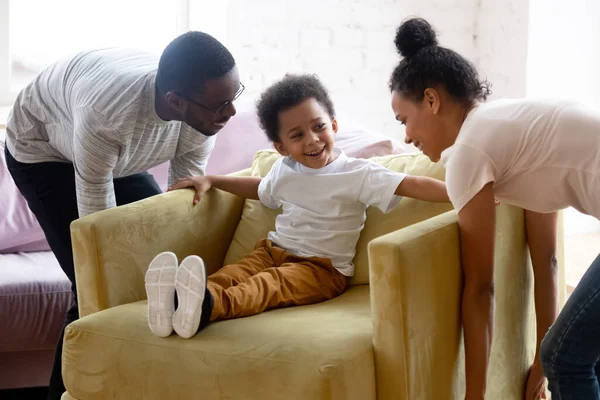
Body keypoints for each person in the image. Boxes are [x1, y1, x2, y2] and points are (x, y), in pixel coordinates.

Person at [4, 31, 243, 399]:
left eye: (234, 95)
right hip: (44, 149)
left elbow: (180, 205)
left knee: (165, 266)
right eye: (220, 105)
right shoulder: (109, 117)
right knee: (93, 285)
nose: (232, 112)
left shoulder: (203, 115)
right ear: (176, 101)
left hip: (114, 152)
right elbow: (98, 230)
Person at [143, 73, 450, 339]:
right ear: (281, 147)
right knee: (232, 273)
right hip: (271, 251)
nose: (313, 140)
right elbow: (260, 189)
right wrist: (213, 179)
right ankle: (172, 303)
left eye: (319, 127)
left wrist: (459, 192)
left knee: (267, 286)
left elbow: (412, 184)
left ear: (333, 125)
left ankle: (206, 307)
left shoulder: (358, 173)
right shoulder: (285, 170)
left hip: (320, 270)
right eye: (297, 135)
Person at [389, 17, 600, 400]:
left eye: (404, 119)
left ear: (432, 100)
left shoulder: (469, 151)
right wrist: (537, 363)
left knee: (566, 358)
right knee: (583, 355)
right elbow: (547, 259)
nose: (405, 136)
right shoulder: (509, 122)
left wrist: (476, 395)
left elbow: (480, 290)